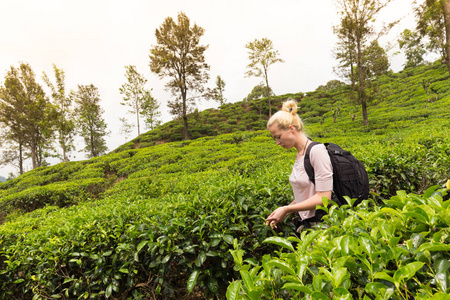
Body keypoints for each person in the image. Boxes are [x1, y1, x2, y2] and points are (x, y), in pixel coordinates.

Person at [265, 99, 333, 230]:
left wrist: (286, 209)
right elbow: (307, 195)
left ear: (291, 129)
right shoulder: (300, 155)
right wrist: (285, 212)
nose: (277, 143)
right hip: (308, 225)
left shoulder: (317, 151)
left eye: (278, 137)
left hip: (323, 226)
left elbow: (324, 197)